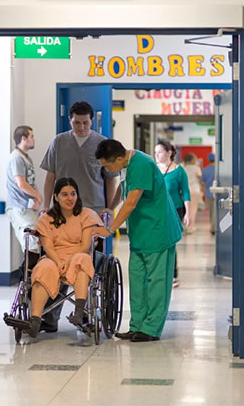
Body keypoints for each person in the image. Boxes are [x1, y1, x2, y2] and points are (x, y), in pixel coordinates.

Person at [93, 139, 182, 342]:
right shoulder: (125, 163)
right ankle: (137, 325)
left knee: (156, 281)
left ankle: (151, 329)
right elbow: (122, 189)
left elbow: (132, 201)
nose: (107, 170)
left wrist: (110, 228)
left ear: (117, 158)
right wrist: (111, 206)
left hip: (157, 230)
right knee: (137, 279)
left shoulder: (141, 164)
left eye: (107, 165)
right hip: (141, 233)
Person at [39, 101, 117, 332]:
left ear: (92, 121)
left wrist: (109, 208)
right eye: (77, 123)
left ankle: (85, 314)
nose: (81, 127)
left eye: (85, 123)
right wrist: (46, 205)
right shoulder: (59, 142)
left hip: (92, 211)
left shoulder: (101, 144)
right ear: (70, 120)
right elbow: (50, 177)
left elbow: (110, 179)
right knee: (59, 260)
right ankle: (50, 317)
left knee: (87, 261)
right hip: (61, 213)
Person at [27, 177, 103, 338]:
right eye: (65, 194)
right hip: (54, 257)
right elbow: (47, 247)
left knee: (81, 260)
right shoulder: (46, 219)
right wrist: (58, 261)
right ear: (56, 197)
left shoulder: (87, 215)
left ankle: (79, 312)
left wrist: (68, 261)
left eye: (73, 194)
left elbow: (85, 245)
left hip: (79, 254)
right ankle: (35, 320)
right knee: (43, 268)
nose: (70, 198)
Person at [154, 141, 191, 288]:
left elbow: (186, 192)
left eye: (160, 152)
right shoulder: (153, 169)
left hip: (175, 210)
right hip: (156, 210)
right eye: (155, 152)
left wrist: (188, 213)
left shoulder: (179, 171)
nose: (156, 155)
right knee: (157, 242)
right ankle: (158, 273)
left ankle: (173, 274)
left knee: (169, 241)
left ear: (169, 153)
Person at [6, 125, 43, 254]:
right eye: (31, 136)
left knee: (35, 241)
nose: (34, 139)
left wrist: (36, 198)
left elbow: (30, 182)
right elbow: (21, 183)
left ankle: (35, 272)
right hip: (20, 209)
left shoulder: (26, 158)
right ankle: (32, 274)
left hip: (28, 207)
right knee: (31, 242)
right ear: (23, 138)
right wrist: (38, 196)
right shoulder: (16, 158)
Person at [182, 153, 203, 233]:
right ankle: (190, 227)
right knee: (193, 209)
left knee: (187, 209)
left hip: (186, 190)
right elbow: (199, 178)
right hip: (195, 190)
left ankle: (186, 225)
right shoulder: (196, 168)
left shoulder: (183, 168)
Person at [201, 153, 216, 235]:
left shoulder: (205, 170)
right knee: (216, 211)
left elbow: (202, 183)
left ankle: (212, 227)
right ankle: (214, 227)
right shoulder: (218, 169)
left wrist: (204, 191)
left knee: (211, 212)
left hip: (208, 193)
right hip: (217, 194)